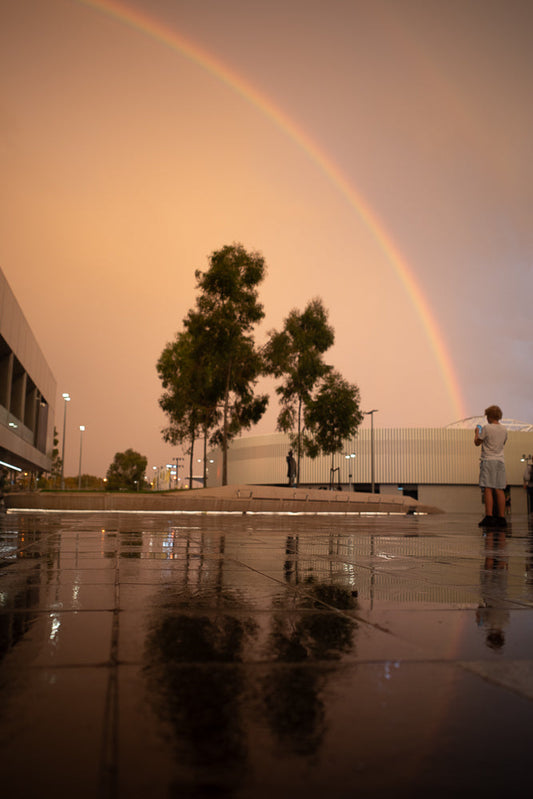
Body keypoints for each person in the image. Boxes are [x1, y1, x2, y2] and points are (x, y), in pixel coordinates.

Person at [474, 405, 508, 528]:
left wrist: (477, 433)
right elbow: (503, 443)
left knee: (488, 488)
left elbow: (477, 442)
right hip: (500, 461)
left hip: (488, 460)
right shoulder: (504, 429)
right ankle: (501, 518)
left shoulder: (486, 428)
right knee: (499, 489)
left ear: (489, 416)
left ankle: (489, 516)